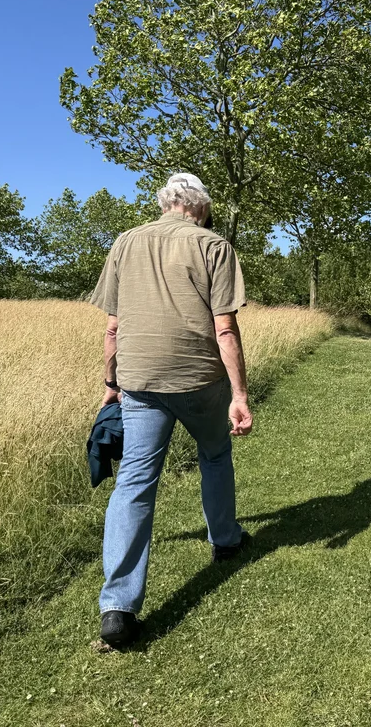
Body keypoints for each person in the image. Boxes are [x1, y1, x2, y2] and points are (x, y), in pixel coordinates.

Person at [89, 172, 253, 648]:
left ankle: (118, 608)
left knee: (135, 480)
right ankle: (225, 541)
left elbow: (113, 328)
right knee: (215, 455)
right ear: (200, 206)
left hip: (139, 381)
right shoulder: (214, 246)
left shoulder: (125, 242)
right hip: (199, 378)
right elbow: (225, 329)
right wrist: (240, 395)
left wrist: (110, 385)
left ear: (166, 203)